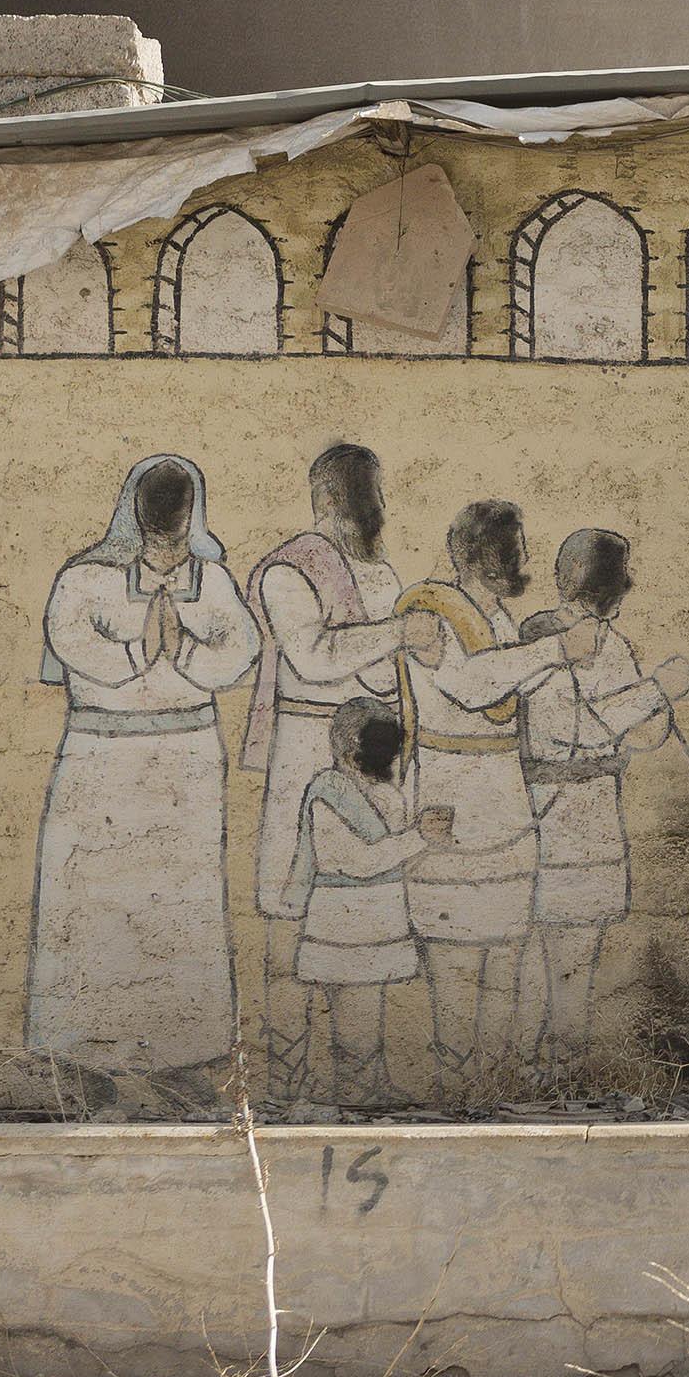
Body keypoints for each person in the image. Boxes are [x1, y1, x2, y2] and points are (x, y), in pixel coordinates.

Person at [26, 454, 261, 1098]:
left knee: (181, 909)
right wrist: (140, 649)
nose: (168, 538)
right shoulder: (84, 579)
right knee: (90, 907)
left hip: (184, 764)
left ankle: (181, 1058)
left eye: (178, 524)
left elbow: (240, 650)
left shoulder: (212, 581)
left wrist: (179, 647)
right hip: (100, 761)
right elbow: (74, 644)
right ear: (135, 514)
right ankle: (79, 1059)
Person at [240, 444, 443, 1101]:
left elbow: (387, 671)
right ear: (326, 498)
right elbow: (315, 655)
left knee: (369, 913)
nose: (374, 505)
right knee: (286, 919)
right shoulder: (288, 572)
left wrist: (399, 641)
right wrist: (396, 636)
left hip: (373, 757)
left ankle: (361, 1080)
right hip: (302, 748)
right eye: (364, 490)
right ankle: (284, 1083)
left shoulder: (383, 577)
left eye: (376, 490)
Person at [394, 500, 601, 1096]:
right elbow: (468, 684)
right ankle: (458, 1093)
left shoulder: (502, 622)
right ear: (487, 554)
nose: (526, 557)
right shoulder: (430, 610)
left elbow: (514, 682)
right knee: (457, 968)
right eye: (517, 544)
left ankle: (492, 1088)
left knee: (506, 963)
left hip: (506, 808)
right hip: (453, 802)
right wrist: (557, 651)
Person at [517, 529, 689, 1076]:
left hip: (597, 812)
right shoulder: (540, 639)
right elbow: (575, 727)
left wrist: (650, 703)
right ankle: (535, 1065)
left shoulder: (613, 644)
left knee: (582, 949)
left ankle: (562, 1065)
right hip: (554, 808)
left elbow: (643, 733)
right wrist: (655, 691)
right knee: (547, 950)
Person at [282, 697, 454, 1105]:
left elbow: (394, 853)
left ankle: (368, 1086)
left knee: (369, 1013)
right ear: (348, 745)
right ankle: (353, 1090)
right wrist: (417, 838)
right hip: (345, 925)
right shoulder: (328, 790)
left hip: (381, 919)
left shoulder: (386, 794)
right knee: (352, 1015)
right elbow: (353, 861)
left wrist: (423, 838)